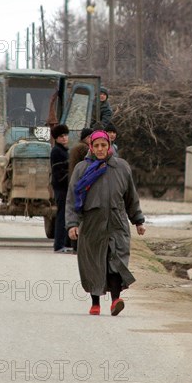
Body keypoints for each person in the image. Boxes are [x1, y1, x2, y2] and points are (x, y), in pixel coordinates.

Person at [66, 130, 145, 316]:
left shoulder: (121, 167)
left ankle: (116, 300)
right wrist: (72, 224)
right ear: (91, 148)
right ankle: (95, 303)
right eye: (96, 146)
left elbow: (131, 197)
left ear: (109, 146)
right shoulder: (81, 169)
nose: (100, 149)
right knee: (94, 263)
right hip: (92, 225)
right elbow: (72, 199)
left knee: (116, 261)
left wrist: (138, 220)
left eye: (104, 145)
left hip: (117, 223)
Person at [50, 124, 71, 253]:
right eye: (61, 136)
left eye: (65, 135)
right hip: (61, 187)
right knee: (61, 215)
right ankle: (59, 245)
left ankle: (65, 243)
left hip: (65, 187)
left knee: (65, 215)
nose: (64, 138)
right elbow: (58, 172)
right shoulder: (57, 151)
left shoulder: (64, 150)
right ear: (56, 138)